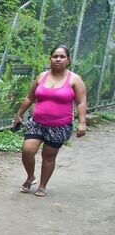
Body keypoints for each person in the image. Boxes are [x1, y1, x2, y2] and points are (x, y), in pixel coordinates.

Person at [12, 45, 87, 197]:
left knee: (49, 156)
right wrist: (19, 114)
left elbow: (81, 102)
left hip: (59, 126)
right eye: (55, 56)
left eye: (62, 57)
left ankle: (42, 185)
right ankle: (30, 177)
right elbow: (29, 97)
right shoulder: (41, 77)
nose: (58, 59)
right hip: (37, 122)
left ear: (68, 60)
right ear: (50, 59)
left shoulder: (74, 80)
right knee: (27, 150)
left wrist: (82, 122)